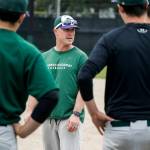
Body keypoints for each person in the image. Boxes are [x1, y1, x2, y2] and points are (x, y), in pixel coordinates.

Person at [78, 0, 150, 150]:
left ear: (120, 8)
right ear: (146, 7)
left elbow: (84, 75)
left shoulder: (111, 39)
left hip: (119, 129)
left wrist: (94, 113)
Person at [0, 0, 59, 149]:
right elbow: (51, 96)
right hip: (4, 133)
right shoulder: (28, 51)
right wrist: (24, 131)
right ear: (22, 17)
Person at [42, 15, 87, 150]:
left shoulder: (81, 57)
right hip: (47, 118)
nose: (71, 33)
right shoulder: (45, 57)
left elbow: (84, 88)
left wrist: (76, 114)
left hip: (69, 118)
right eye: (67, 29)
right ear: (55, 31)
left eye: (73, 30)